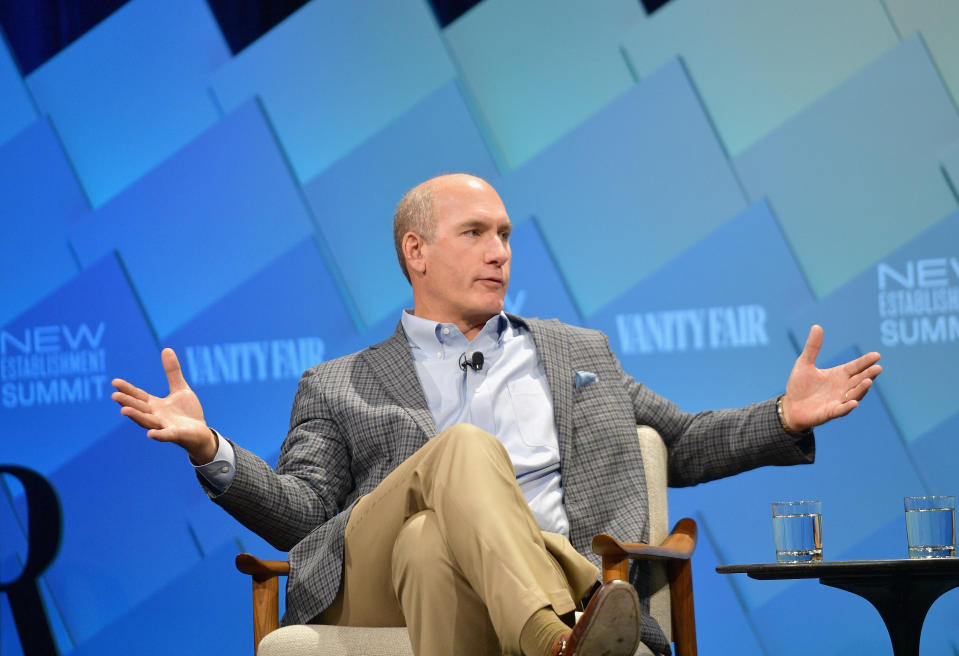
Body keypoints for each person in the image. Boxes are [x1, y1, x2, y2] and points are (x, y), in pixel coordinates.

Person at [111, 173, 881, 656]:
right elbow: (302, 515)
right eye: (475, 233)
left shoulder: (577, 354)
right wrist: (212, 448)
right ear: (415, 252)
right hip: (373, 578)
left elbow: (679, 443)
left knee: (428, 544)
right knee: (458, 454)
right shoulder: (339, 383)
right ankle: (553, 640)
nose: (499, 251)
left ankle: (544, 620)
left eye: (506, 235)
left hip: (522, 559)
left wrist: (784, 414)